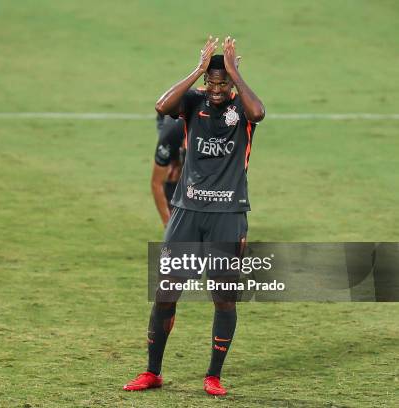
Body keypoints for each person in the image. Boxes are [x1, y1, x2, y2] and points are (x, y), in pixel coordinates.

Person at [124, 35, 265, 396]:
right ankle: (152, 372)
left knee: (223, 297)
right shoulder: (193, 102)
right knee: (166, 292)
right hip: (187, 212)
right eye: (211, 82)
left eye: (223, 82)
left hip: (228, 215)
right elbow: (162, 104)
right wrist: (198, 70)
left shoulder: (242, 111)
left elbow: (259, 112)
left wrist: (232, 69)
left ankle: (213, 376)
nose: (216, 89)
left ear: (231, 82)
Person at [151, 113, 185, 226]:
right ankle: (174, 216)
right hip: (171, 119)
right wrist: (169, 225)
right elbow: (156, 183)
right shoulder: (172, 133)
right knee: (172, 172)